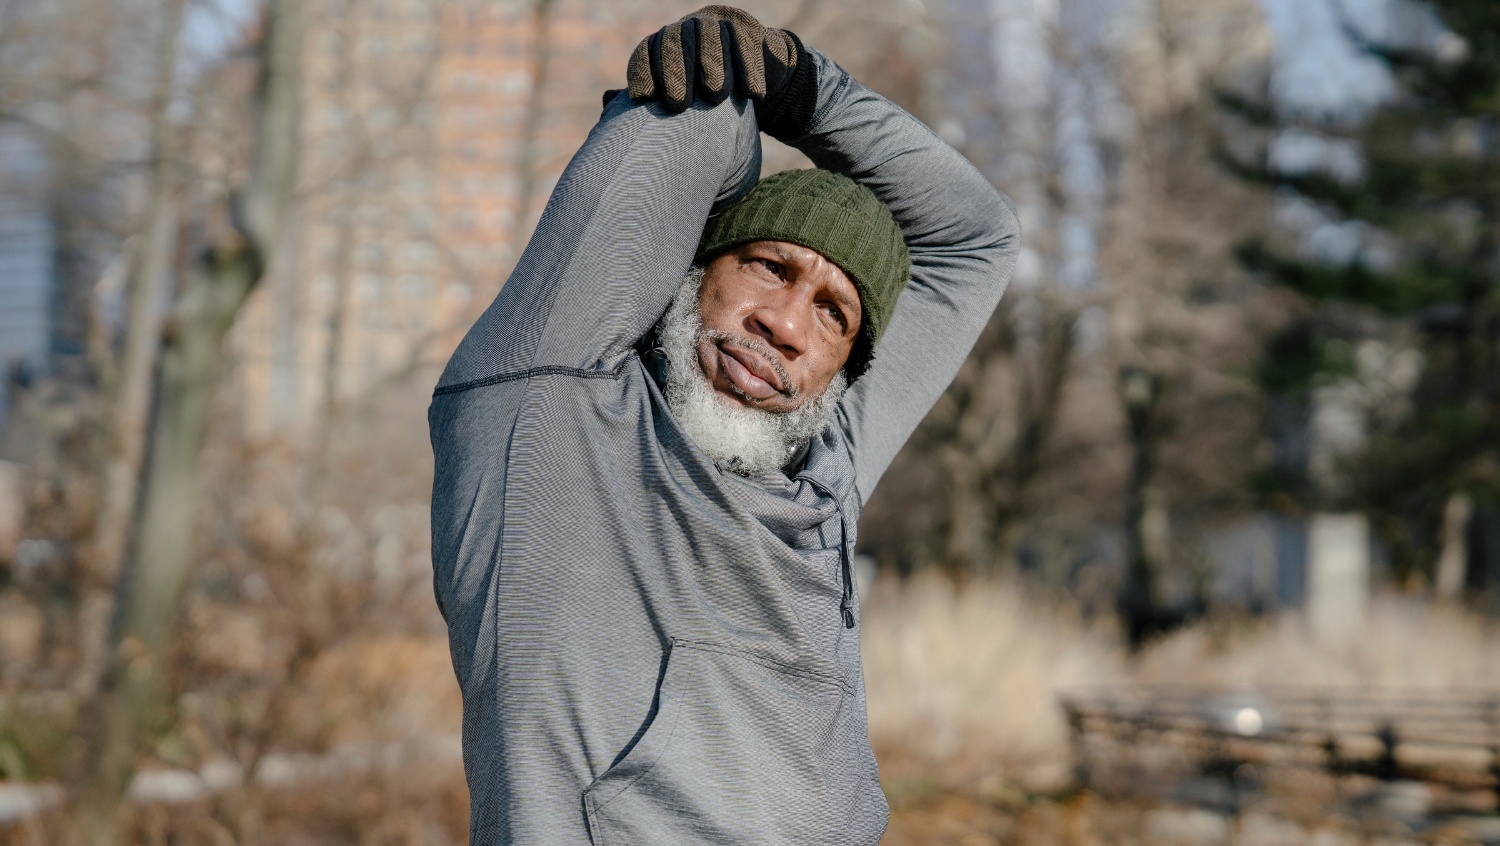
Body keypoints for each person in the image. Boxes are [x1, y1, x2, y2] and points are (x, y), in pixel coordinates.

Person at [428, 6, 1019, 843]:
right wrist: (745, 88)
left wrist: (808, 92)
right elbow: (701, 113)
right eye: (767, 266)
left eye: (832, 314)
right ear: (693, 271)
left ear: (844, 371)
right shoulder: (550, 411)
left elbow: (979, 237)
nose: (784, 324)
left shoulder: (826, 468)